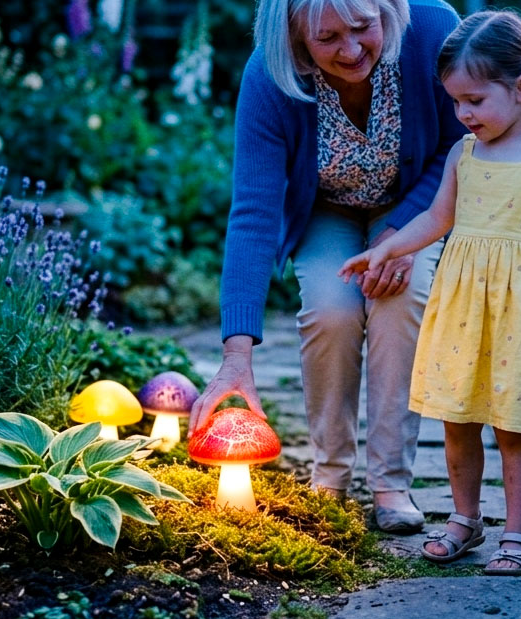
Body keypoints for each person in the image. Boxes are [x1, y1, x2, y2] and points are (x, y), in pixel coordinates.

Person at [187, 0, 465, 534]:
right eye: (328, 38)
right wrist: (235, 354)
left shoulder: (433, 30)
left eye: (364, 27)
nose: (352, 48)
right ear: (293, 36)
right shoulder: (270, 74)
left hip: (416, 207)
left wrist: (400, 234)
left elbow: (459, 145)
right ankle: (330, 476)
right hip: (326, 212)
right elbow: (253, 212)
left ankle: (390, 483)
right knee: (331, 311)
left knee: (400, 298)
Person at [338, 9, 521, 574]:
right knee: (457, 420)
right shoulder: (464, 154)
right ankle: (465, 519)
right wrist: (387, 249)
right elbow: (435, 218)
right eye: (456, 102)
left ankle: (519, 533)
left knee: (512, 425)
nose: (463, 114)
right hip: (464, 311)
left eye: (475, 100)